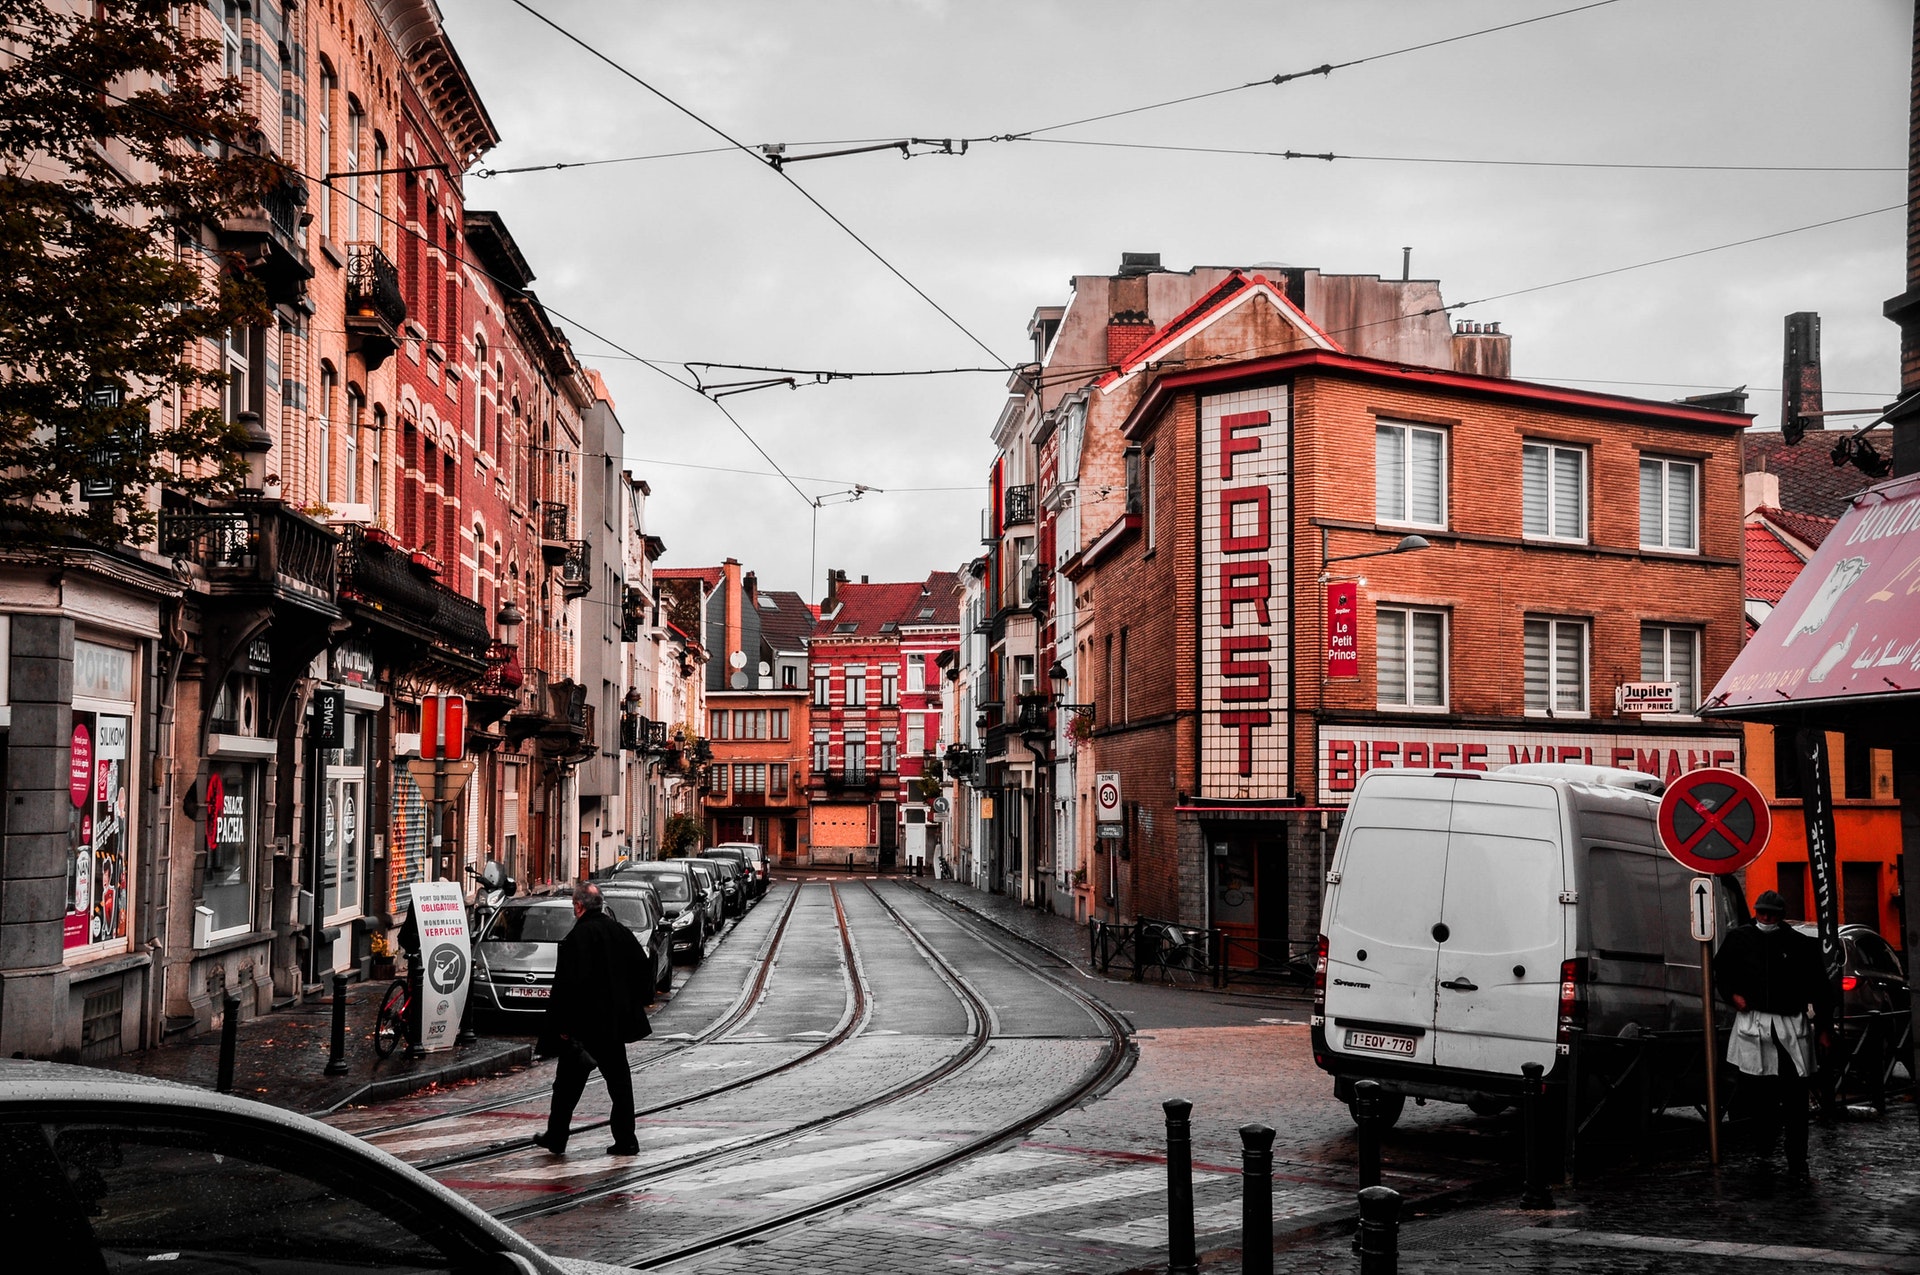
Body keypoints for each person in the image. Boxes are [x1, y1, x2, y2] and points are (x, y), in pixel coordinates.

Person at [1713, 890, 1833, 1184]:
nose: (1765, 919)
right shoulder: (1738, 939)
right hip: (1754, 1024)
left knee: (1794, 1097)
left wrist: (1825, 1029)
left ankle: (1796, 1156)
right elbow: (1721, 973)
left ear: (1779, 915)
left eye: (1771, 914)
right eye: (1761, 913)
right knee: (1757, 1093)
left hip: (1790, 1026)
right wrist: (1731, 995)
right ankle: (1764, 1147)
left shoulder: (1800, 945)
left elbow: (1819, 988)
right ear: (1756, 912)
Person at [532, 881, 653, 1156]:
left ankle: (557, 1136)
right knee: (620, 1085)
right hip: (613, 1027)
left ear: (578, 906)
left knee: (566, 1087)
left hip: (584, 1030)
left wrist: (562, 1027)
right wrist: (631, 1003)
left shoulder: (578, 937)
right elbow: (643, 968)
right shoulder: (619, 931)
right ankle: (626, 1140)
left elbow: (568, 986)